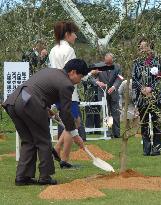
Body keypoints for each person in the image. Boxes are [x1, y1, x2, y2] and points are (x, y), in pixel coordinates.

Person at [2, 59, 89, 186]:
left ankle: (22, 177)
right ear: (73, 72)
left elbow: (36, 90)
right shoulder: (66, 84)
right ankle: (45, 177)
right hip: (30, 104)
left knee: (29, 141)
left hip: (14, 102)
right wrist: (75, 135)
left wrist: (45, 107)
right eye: (80, 76)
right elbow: (66, 112)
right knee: (44, 141)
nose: (80, 80)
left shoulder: (50, 71)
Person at [49, 21, 86, 168]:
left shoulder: (53, 50)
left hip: (56, 89)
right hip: (69, 90)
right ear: (67, 34)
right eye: (74, 33)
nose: (76, 36)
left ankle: (57, 149)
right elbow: (74, 71)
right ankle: (63, 158)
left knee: (69, 123)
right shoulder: (69, 50)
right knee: (74, 123)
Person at [132, 37, 161, 156]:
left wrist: (151, 88)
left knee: (156, 122)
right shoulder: (136, 62)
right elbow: (134, 79)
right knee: (144, 123)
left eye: (144, 46)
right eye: (140, 47)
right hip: (142, 97)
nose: (142, 49)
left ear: (150, 47)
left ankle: (157, 148)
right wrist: (142, 89)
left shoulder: (158, 60)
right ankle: (146, 149)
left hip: (156, 96)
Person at [90, 53, 123, 138]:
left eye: (110, 63)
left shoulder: (117, 67)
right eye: (106, 62)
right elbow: (90, 77)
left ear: (113, 61)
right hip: (103, 93)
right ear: (105, 59)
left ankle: (116, 133)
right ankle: (108, 133)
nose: (108, 64)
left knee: (115, 113)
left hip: (114, 93)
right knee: (106, 113)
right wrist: (97, 82)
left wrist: (114, 87)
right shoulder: (98, 66)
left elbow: (120, 78)